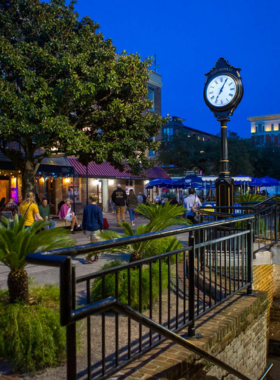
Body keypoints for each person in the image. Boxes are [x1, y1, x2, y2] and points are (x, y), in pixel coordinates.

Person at [82, 194, 104, 264]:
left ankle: (93, 256)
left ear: (90, 200)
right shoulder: (98, 208)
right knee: (94, 243)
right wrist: (102, 227)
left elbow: (84, 219)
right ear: (96, 200)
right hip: (95, 227)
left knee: (92, 243)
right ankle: (91, 256)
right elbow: (100, 219)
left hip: (88, 227)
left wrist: (84, 228)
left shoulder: (86, 208)